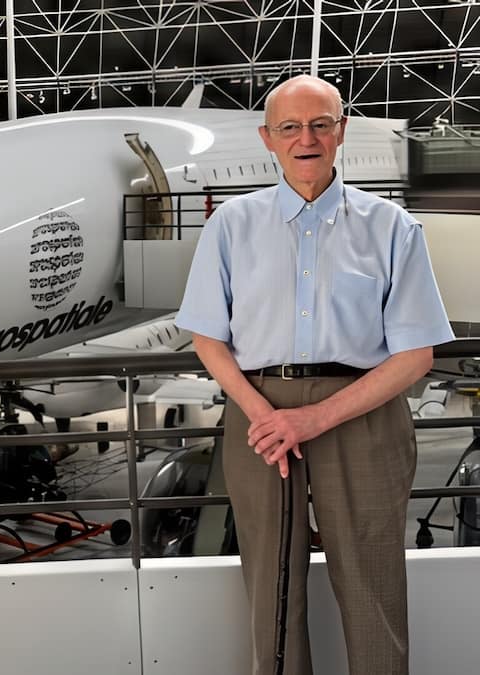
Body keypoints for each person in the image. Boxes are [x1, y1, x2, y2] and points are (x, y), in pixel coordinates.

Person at [176, 75, 453, 675]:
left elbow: (415, 356)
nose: (307, 138)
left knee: (372, 581)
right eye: (290, 127)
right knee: (271, 589)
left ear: (341, 131)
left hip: (363, 413)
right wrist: (263, 413)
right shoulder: (231, 225)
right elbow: (207, 337)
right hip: (259, 415)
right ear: (268, 139)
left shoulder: (391, 228)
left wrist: (312, 417)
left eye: (320, 123)